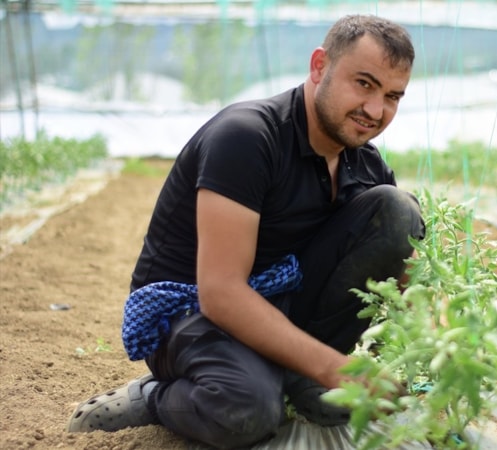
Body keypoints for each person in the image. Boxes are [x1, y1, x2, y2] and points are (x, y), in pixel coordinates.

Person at [66, 14, 424, 449]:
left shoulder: (364, 164)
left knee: (396, 209)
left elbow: (403, 282)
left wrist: (432, 337)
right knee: (247, 410)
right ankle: (157, 397)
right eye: (363, 83)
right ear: (319, 66)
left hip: (280, 302)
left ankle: (291, 373)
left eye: (392, 96)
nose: (375, 110)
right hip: (189, 312)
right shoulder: (248, 137)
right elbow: (220, 292)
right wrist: (334, 367)